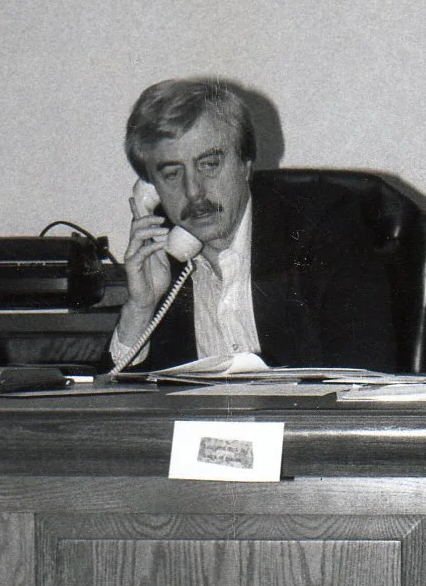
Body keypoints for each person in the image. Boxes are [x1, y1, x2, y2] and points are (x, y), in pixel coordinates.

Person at [108, 77, 396, 373]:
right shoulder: (164, 264)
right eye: (171, 174)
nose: (193, 191)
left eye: (209, 164)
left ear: (245, 163)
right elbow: (116, 406)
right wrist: (141, 307)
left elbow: (363, 377)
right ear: (150, 187)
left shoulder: (324, 232)